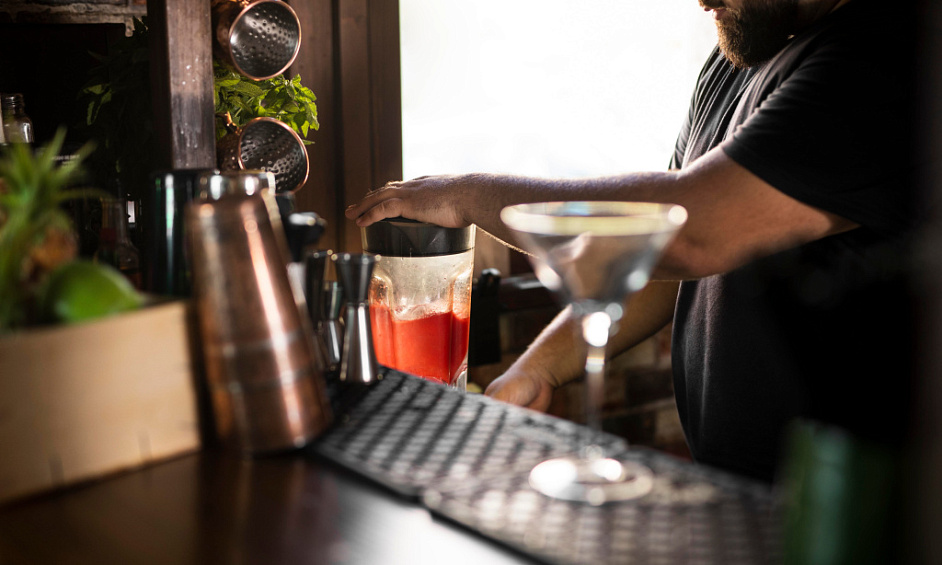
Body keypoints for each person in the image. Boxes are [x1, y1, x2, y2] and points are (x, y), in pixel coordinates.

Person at [346, 0, 921, 482]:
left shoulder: (883, 56)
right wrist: (537, 370)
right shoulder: (738, 59)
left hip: (848, 505)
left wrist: (466, 196)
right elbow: (651, 255)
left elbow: (693, 233)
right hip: (735, 489)